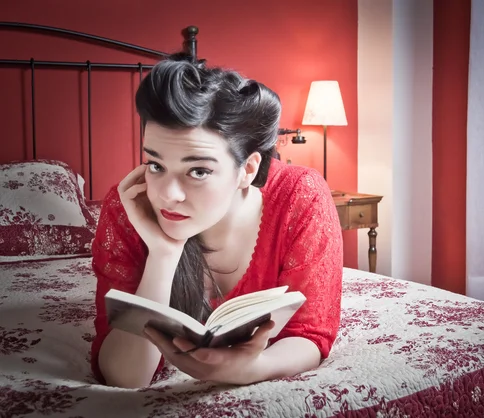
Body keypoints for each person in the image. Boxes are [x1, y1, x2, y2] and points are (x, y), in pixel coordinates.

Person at [90, 53, 344, 389]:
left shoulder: (301, 196)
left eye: (198, 171)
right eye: (156, 165)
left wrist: (253, 368)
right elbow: (126, 376)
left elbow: (310, 335)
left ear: (248, 169)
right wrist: (164, 254)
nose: (168, 194)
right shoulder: (130, 206)